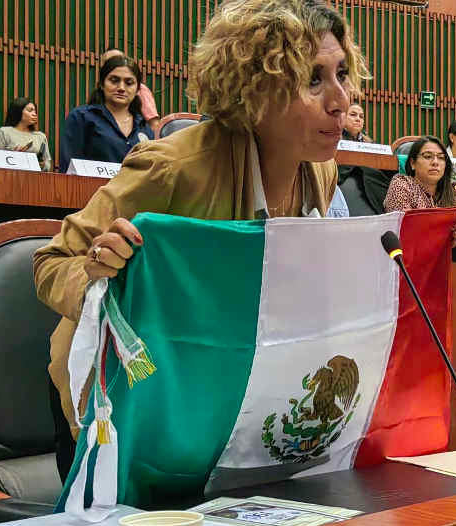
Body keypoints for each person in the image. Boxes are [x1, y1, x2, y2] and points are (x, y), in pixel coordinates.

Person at [34, 0, 366, 478]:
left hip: (214, 394)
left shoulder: (321, 168)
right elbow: (50, 261)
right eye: (313, 79)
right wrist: (93, 269)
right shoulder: (170, 169)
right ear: (256, 89)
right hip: (117, 399)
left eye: (341, 74)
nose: (341, 100)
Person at [58, 55, 154, 173]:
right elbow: (68, 169)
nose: (121, 88)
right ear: (101, 84)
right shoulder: (81, 118)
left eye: (129, 83)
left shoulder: (144, 127)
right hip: (90, 190)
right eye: (114, 81)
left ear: (138, 89)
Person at [384, 136, 456, 212]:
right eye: (428, 156)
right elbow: (404, 226)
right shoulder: (402, 185)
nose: (435, 162)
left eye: (441, 157)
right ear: (413, 163)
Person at [100, 48, 160, 135]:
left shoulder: (141, 90)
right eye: (108, 62)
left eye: (117, 60)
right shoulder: (85, 117)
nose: (121, 88)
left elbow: (154, 123)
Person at [0, 97, 52, 171]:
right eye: (30, 111)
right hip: (9, 177)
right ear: (18, 111)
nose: (34, 114)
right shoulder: (3, 132)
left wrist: (42, 164)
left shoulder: (41, 136)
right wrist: (12, 156)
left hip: (35, 178)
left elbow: (48, 164)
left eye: (35, 111)